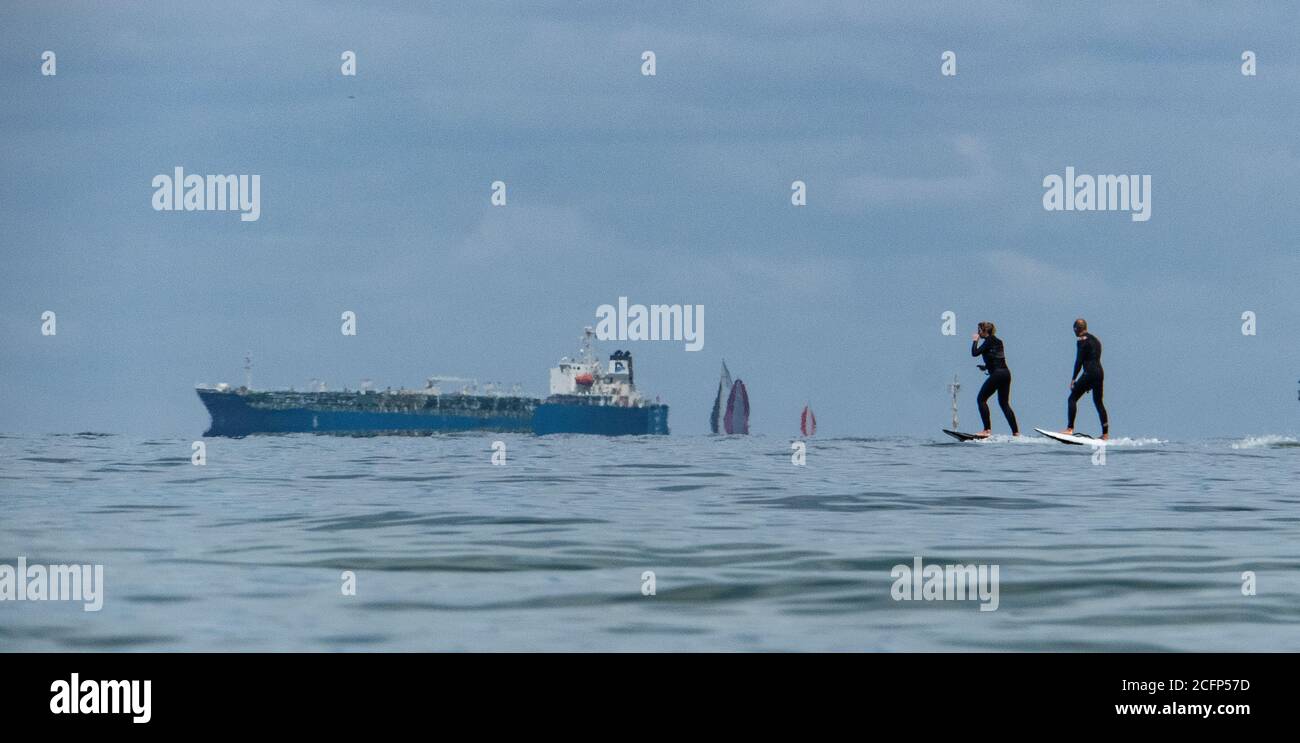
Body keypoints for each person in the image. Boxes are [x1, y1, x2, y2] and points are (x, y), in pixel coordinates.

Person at [1062, 317, 1108, 440]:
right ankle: (1105, 434)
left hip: (1089, 373)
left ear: (1077, 329)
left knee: (1072, 398)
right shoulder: (1096, 340)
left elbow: (1079, 361)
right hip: (1099, 373)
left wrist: (1073, 378)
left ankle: (1069, 429)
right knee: (1098, 402)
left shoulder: (1081, 341)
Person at [970, 322, 1019, 437]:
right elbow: (997, 358)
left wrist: (975, 340)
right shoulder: (998, 341)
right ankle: (1016, 432)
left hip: (997, 374)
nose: (978, 332)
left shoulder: (988, 341)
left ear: (984, 331)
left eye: (979, 330)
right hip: (1005, 373)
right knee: (1004, 404)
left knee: (981, 399)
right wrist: (986, 367)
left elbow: (974, 353)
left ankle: (986, 430)